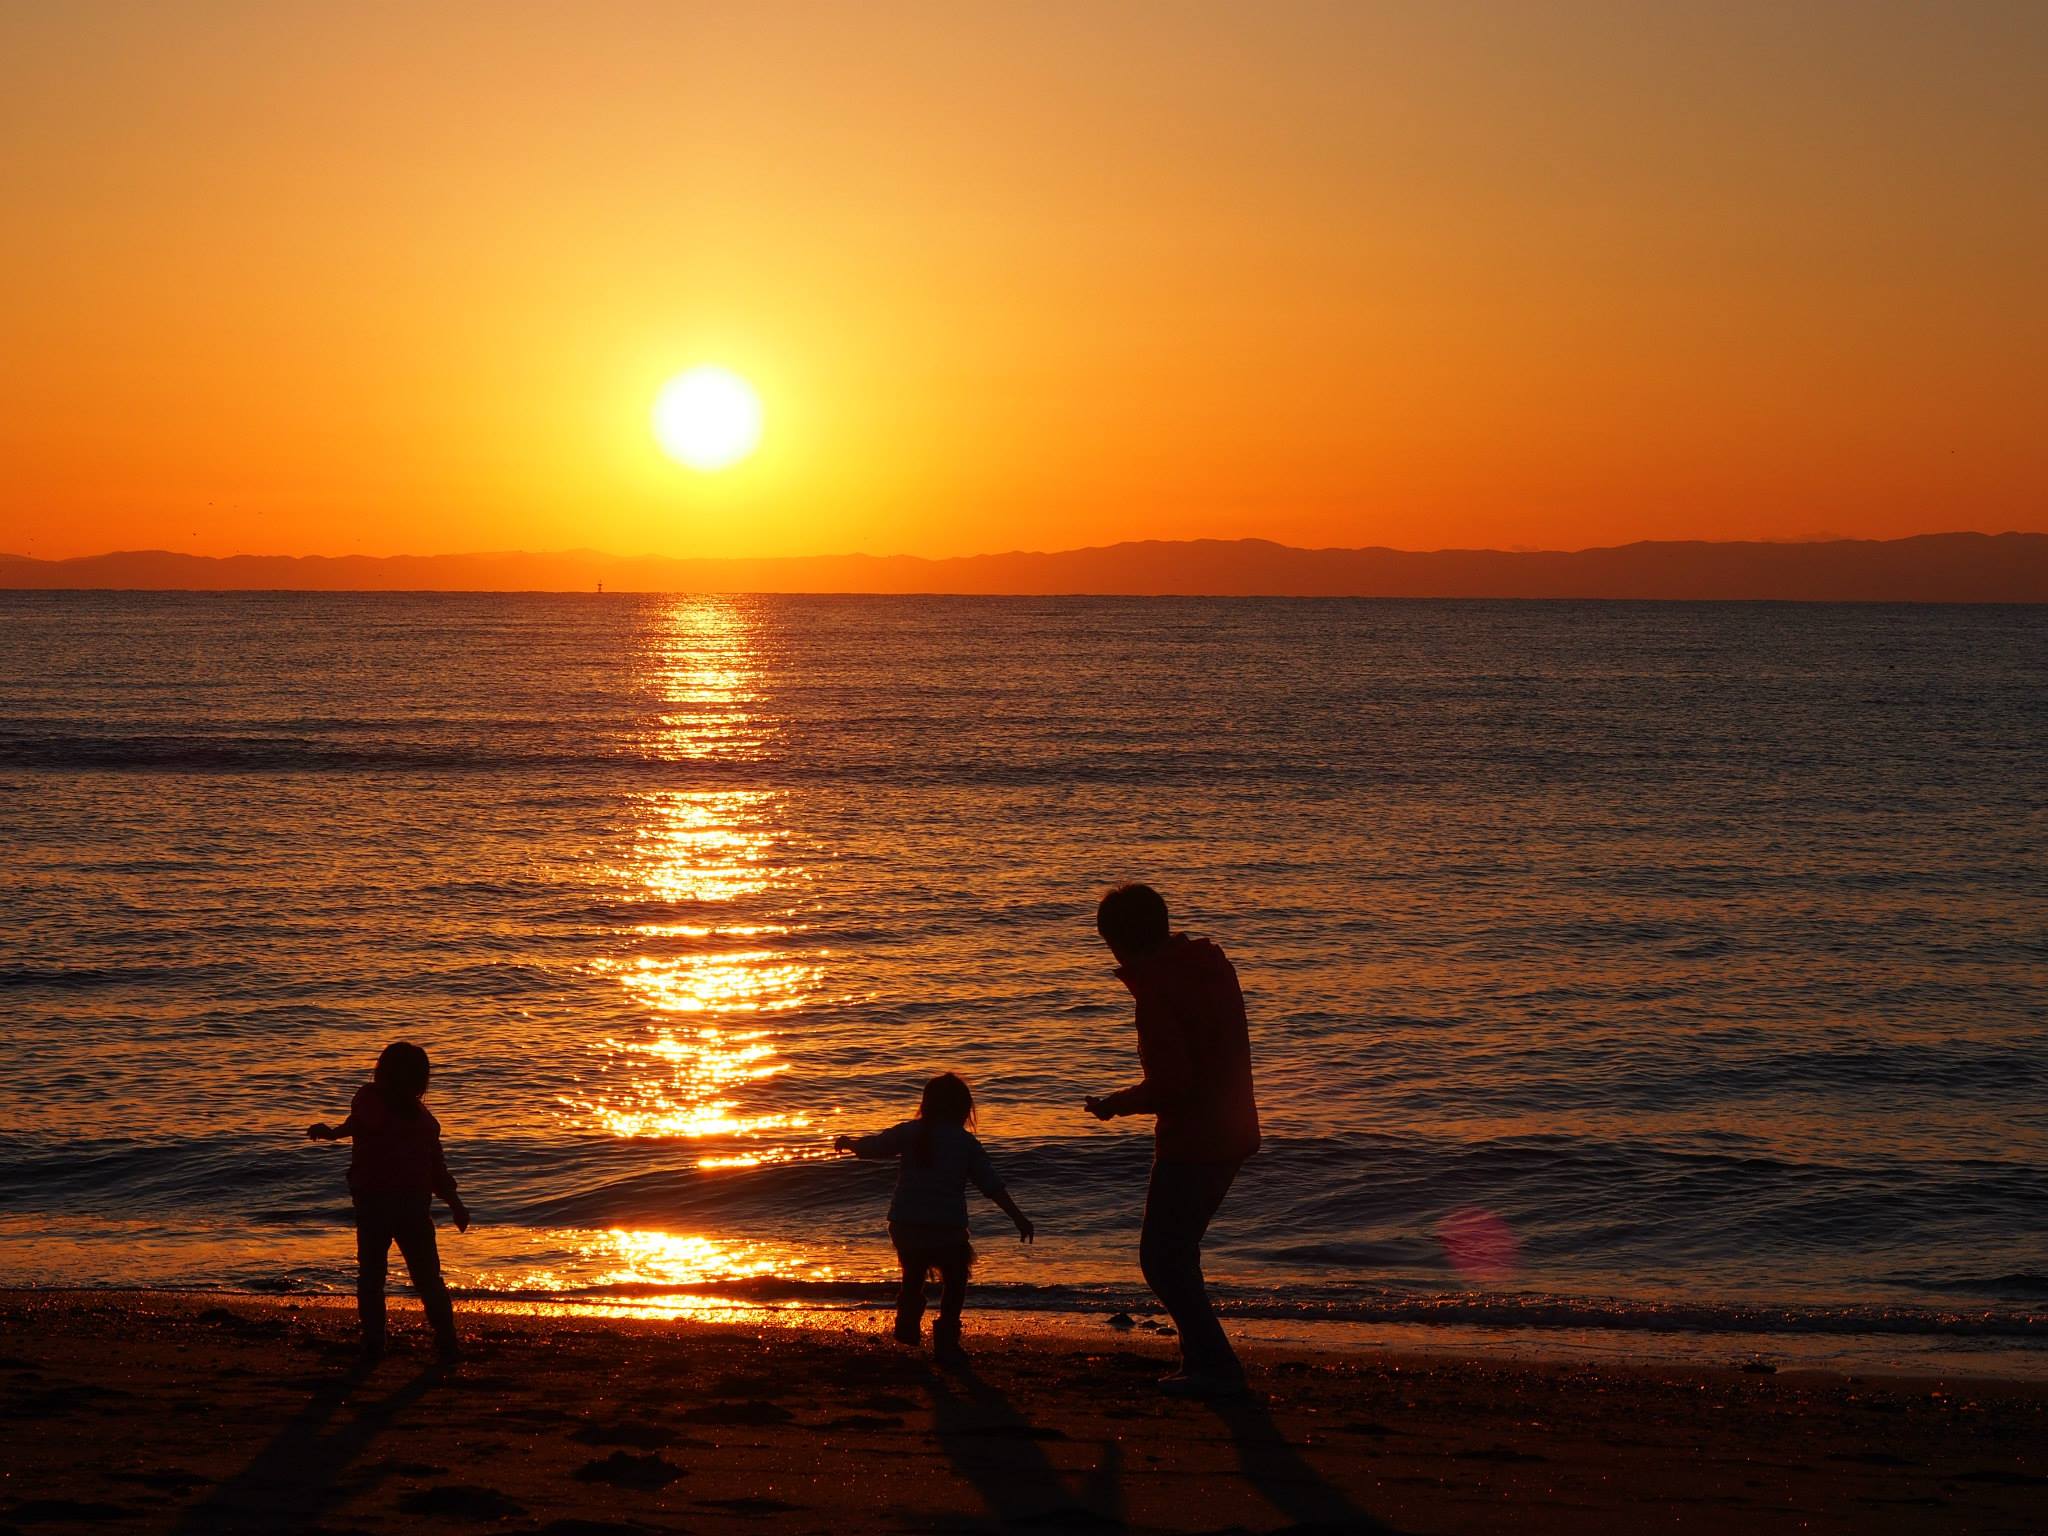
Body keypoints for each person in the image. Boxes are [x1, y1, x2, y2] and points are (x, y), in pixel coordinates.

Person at [1084, 883, 1260, 1397]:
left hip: (1196, 1138)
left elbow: (1174, 1083)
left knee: (1161, 1257)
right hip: (1234, 1126)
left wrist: (1115, 1103)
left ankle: (1214, 1366)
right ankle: (1200, 1361)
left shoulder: (1158, 988)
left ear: (1118, 941)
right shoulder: (1209, 966)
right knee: (1178, 1253)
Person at [835, 1072, 1033, 1364]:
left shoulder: (911, 1132)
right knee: (955, 1281)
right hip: (946, 1227)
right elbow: (991, 1184)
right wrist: (1018, 1217)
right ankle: (946, 1341)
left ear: (927, 1105)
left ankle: (907, 1324)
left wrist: (851, 1144)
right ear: (964, 1109)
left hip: (905, 1222)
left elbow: (877, 1146)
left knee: (913, 1274)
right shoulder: (965, 1143)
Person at [307, 1040, 471, 1362]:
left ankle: (373, 1342)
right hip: (413, 1207)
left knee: (371, 1277)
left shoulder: (370, 1099)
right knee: (427, 1279)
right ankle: (447, 1341)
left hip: (374, 1204)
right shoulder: (424, 1121)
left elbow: (358, 1125)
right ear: (421, 1080)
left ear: (382, 1072)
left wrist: (333, 1134)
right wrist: (455, 1204)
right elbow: (437, 1171)